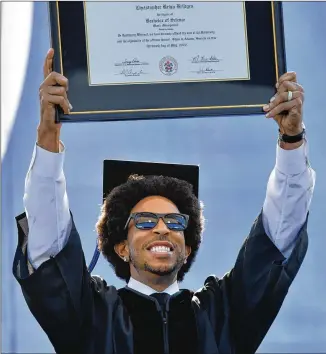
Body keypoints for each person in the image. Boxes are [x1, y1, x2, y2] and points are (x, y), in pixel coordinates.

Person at [13, 48, 316, 354]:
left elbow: (277, 240)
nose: (162, 229)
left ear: (186, 248)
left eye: (174, 222)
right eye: (144, 221)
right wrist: (48, 137)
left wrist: (291, 140)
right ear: (121, 247)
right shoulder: (93, 315)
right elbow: (50, 250)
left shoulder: (221, 316)